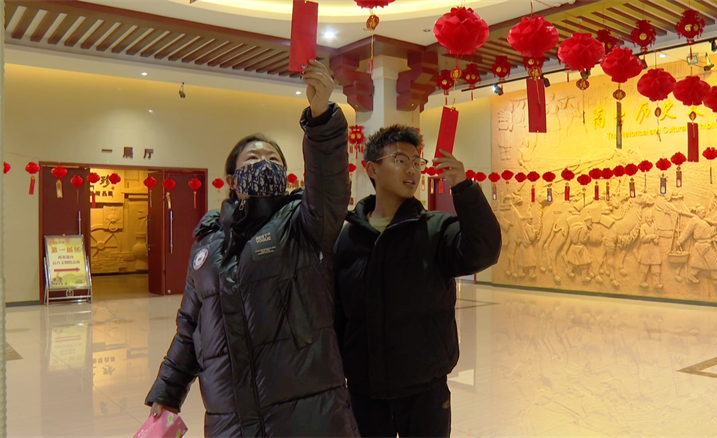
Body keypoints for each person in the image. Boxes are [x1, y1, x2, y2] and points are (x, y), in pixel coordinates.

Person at [144, 60, 359, 438]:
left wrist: (322, 118)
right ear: (232, 180)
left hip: (306, 414)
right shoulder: (207, 244)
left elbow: (328, 185)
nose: (265, 165)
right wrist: (168, 391)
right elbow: (190, 327)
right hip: (230, 417)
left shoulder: (303, 225)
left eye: (274, 160)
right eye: (254, 159)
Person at [332, 125, 502, 438]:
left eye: (416, 162)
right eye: (400, 160)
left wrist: (464, 189)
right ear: (372, 169)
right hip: (364, 389)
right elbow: (338, 314)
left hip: (424, 388)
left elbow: (484, 251)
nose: (412, 169)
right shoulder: (348, 239)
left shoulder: (437, 230)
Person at [680, 205, 717, 286]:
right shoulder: (694, 221)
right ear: (698, 213)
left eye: (704, 212)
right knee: (712, 261)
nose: (704, 214)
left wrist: (714, 227)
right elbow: (687, 232)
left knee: (700, 263)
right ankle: (716, 279)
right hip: (701, 245)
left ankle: (691, 276)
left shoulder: (704, 222)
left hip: (706, 244)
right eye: (702, 212)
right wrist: (680, 241)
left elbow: (709, 234)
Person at [638, 210, 663, 289]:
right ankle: (642, 281)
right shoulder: (643, 227)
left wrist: (656, 239)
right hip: (646, 249)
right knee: (644, 267)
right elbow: (642, 238)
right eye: (647, 218)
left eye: (650, 218)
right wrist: (651, 236)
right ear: (645, 218)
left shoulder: (655, 226)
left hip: (654, 249)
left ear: (652, 218)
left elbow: (657, 235)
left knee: (656, 266)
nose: (649, 219)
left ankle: (656, 283)